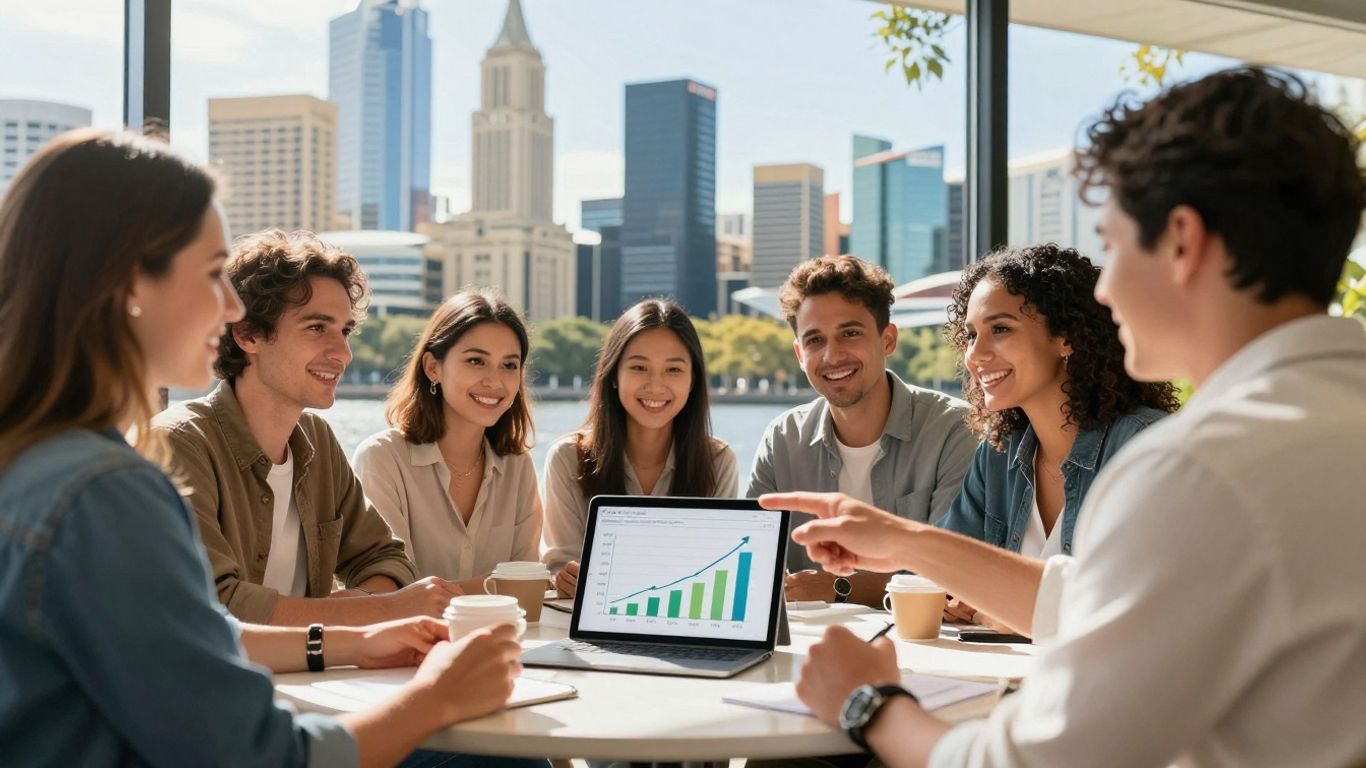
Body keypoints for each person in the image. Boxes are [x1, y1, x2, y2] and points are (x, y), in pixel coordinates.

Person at [763, 67, 1366, 767]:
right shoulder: (1324, 421)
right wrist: (907, 541)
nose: (1105, 290)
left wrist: (868, 704)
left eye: (1112, 246)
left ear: (1181, 240)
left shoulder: (1200, 470)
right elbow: (1100, 600)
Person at [0, 129, 526, 766]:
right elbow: (257, 755)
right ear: (127, 283)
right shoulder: (106, 488)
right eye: (211, 274)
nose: (228, 307)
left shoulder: (40, 464)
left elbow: (199, 637)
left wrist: (355, 638)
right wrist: (438, 698)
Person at [154, 229, 460, 626]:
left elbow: (385, 558)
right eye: (317, 328)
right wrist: (376, 609)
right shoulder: (178, 444)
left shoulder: (317, 440)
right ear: (247, 334)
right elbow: (215, 606)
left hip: (318, 676)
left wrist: (350, 611)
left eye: (345, 330)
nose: (343, 352)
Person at [935, 244, 1177, 621]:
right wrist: (956, 597)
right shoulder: (998, 455)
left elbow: (1151, 606)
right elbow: (944, 572)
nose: (975, 355)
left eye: (1000, 329)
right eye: (970, 335)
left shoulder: (1145, 447)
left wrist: (1025, 613)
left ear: (1066, 337)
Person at [747, 255, 976, 607]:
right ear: (798, 353)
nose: (831, 356)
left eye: (850, 333)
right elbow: (751, 564)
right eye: (814, 341)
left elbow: (949, 576)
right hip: (806, 647)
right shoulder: (782, 439)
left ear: (888, 340)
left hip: (921, 648)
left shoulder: (953, 430)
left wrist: (839, 588)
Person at [543, 298, 738, 597]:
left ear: (693, 380)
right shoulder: (568, 458)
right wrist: (563, 577)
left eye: (673, 369)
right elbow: (563, 566)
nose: (656, 385)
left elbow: (714, 573)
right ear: (614, 377)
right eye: (639, 367)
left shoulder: (718, 460)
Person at [354, 290, 542, 590]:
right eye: (476, 361)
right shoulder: (382, 460)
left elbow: (527, 586)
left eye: (509, 365)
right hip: (406, 637)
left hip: (501, 636)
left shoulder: (518, 468)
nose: (494, 381)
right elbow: (393, 593)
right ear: (432, 368)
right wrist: (496, 585)